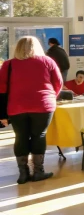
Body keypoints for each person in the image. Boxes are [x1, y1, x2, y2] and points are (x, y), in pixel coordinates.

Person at [0, 36, 62, 184]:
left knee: (20, 137)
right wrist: (50, 96)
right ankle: (38, 172)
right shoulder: (48, 62)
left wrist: (2, 113)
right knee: (39, 136)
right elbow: (58, 83)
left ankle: (23, 173)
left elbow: (1, 89)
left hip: (16, 107)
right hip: (43, 105)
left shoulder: (8, 65)